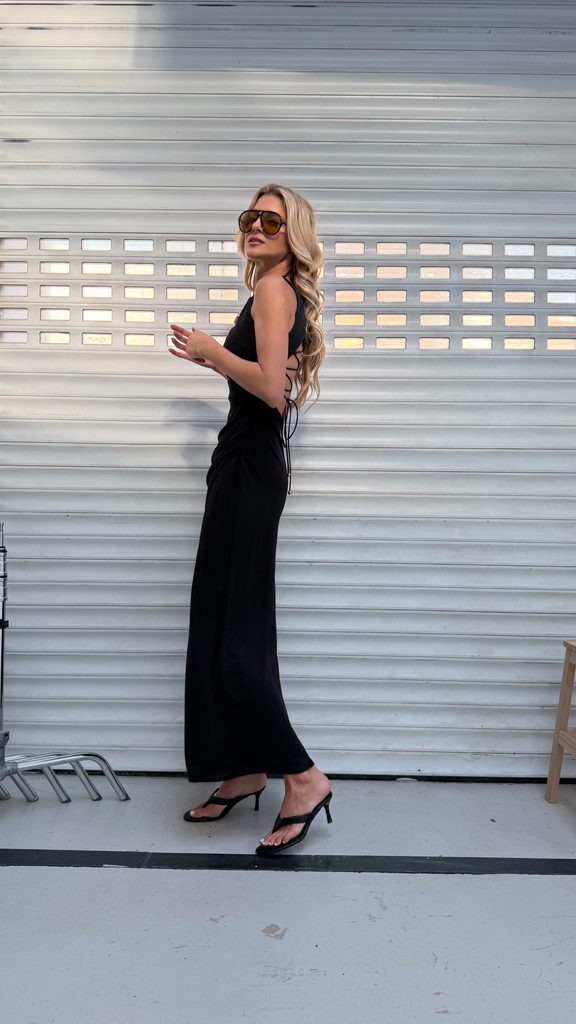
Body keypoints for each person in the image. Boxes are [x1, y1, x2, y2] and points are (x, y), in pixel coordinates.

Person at [168, 183, 333, 855]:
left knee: (235, 636)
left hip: (248, 469)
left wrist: (213, 351)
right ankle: (243, 769)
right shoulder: (272, 291)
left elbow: (268, 390)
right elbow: (273, 380)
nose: (256, 227)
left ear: (294, 234)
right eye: (250, 218)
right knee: (219, 622)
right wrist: (223, 361)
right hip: (243, 462)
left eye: (272, 219)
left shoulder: (273, 289)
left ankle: (304, 778)